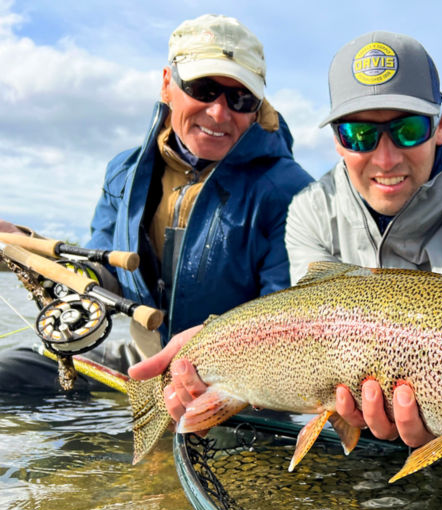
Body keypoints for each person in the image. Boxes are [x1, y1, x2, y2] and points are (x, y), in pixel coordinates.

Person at [130, 31, 442, 461]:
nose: (386, 158)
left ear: (440, 125)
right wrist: (216, 350)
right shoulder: (310, 210)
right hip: (349, 449)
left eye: (408, 130)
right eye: (359, 134)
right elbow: (302, 323)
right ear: (336, 138)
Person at [0, 14, 312, 392]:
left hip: (234, 377)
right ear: (168, 84)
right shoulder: (123, 172)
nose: (219, 111)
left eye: (240, 98)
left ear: (257, 106)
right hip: (142, 359)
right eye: (203, 88)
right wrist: (31, 249)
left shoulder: (293, 193)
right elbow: (104, 265)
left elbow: (291, 321)